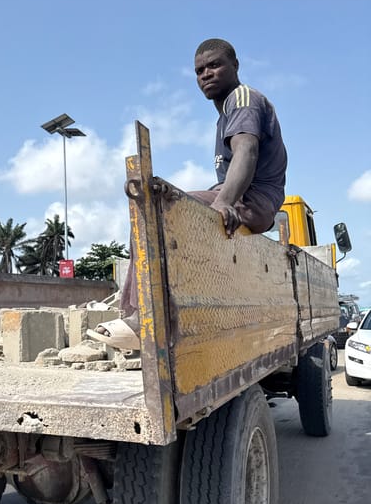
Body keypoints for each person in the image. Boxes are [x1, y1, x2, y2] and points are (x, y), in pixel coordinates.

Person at [88, 38, 288, 350]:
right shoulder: (226, 113)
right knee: (169, 201)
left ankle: (144, 318)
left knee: (156, 212)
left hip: (252, 200)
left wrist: (223, 201)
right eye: (199, 70)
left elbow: (247, 151)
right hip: (247, 198)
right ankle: (172, 311)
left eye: (215, 65)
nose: (206, 74)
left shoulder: (242, 100)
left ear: (235, 65)